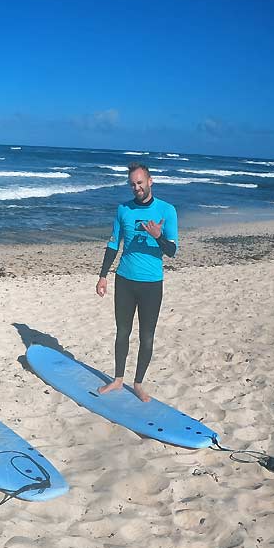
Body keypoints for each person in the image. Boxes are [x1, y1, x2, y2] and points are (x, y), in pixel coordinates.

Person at [95, 162, 178, 403]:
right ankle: (118, 378)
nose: (136, 187)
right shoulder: (123, 210)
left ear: (150, 181)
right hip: (125, 280)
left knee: (147, 336)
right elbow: (113, 244)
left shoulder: (167, 210)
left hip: (152, 283)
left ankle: (138, 383)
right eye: (132, 184)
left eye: (140, 182)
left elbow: (172, 251)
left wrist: (158, 236)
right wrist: (103, 275)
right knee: (122, 332)